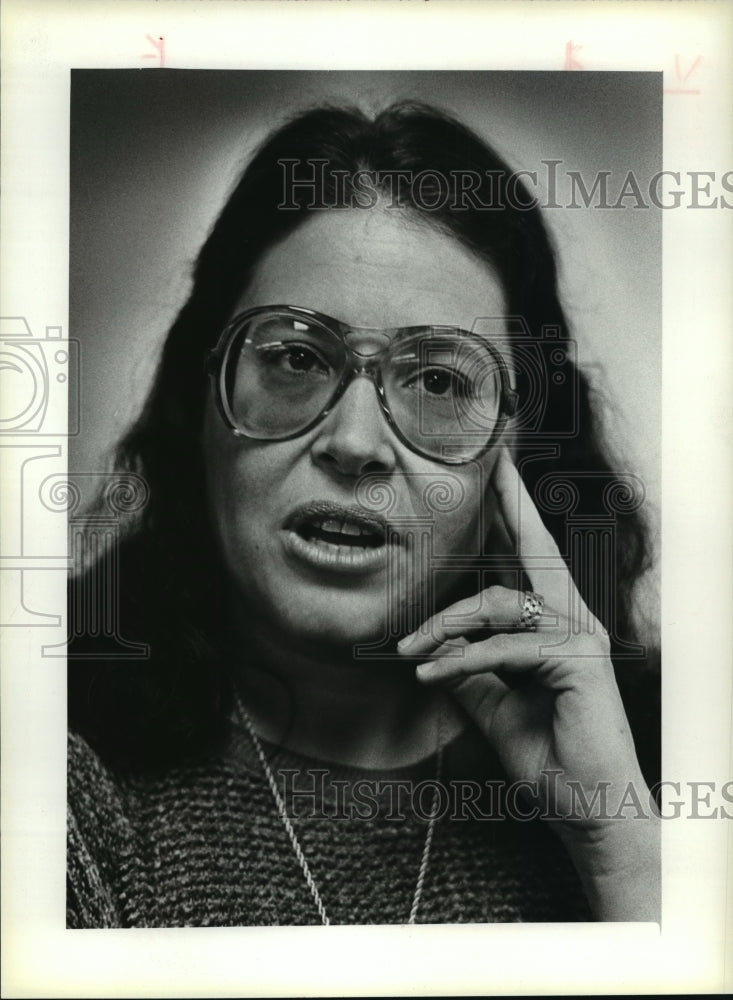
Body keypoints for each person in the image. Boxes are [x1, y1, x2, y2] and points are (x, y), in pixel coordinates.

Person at [66, 101, 660, 927]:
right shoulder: (55, 771)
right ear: (198, 401)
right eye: (296, 358)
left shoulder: (663, 765)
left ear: (515, 447)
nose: (353, 442)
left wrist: (622, 850)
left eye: (440, 381)